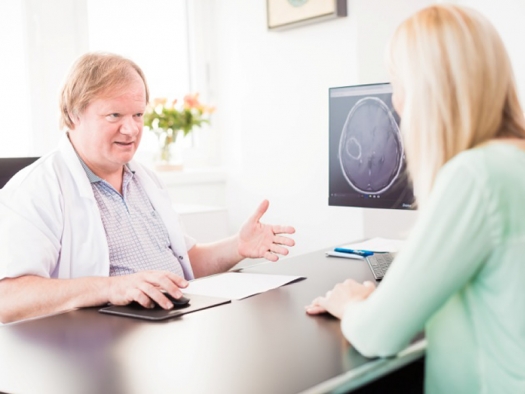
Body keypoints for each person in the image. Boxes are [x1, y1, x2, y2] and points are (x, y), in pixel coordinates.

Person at [306, 4, 525, 394]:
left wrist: (352, 303)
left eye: (397, 83)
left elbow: (378, 334)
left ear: (428, 91)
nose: (396, 103)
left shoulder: (474, 175)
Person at [0, 52, 295, 324]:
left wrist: (237, 247)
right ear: (74, 114)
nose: (131, 130)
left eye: (138, 115)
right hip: (96, 346)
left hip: (170, 323)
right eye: (114, 115)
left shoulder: (144, 179)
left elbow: (183, 263)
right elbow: (8, 298)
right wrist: (110, 288)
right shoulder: (36, 189)